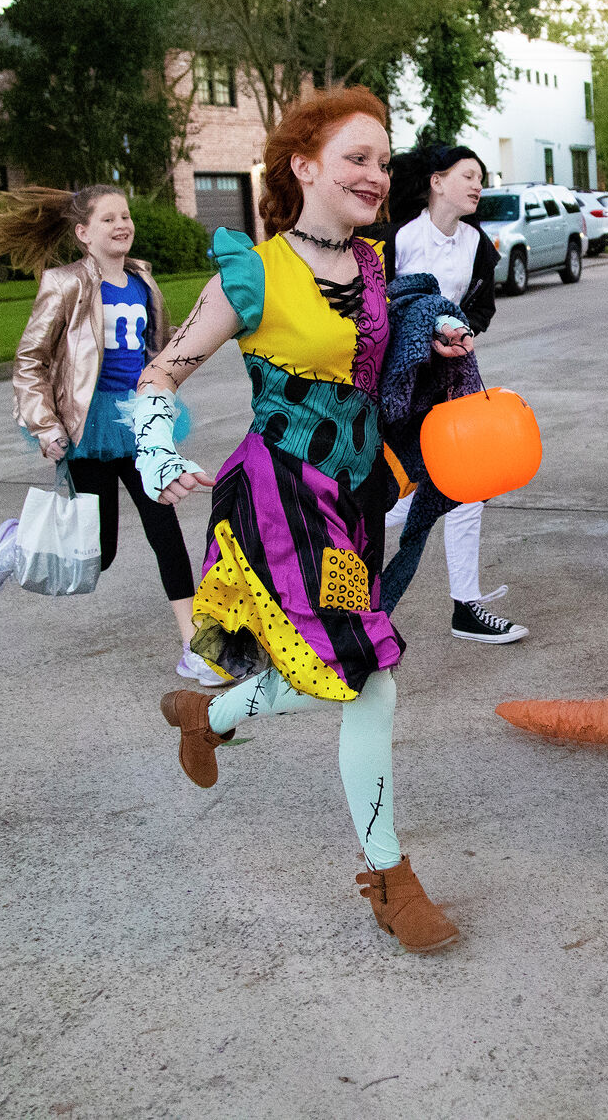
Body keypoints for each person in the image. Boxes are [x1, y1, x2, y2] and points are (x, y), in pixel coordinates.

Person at [134, 87, 477, 954]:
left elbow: (382, 362)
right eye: (356, 157)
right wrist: (158, 452)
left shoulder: (371, 266)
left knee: (344, 664)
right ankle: (390, 877)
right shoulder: (250, 271)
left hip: (355, 499)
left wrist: (431, 346)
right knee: (372, 676)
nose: (376, 174)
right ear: (304, 166)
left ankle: (209, 716)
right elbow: (158, 378)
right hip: (279, 497)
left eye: (383, 159)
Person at [0, 185, 201, 675]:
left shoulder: (143, 281)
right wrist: (43, 425)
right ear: (83, 233)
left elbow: (155, 352)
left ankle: (195, 646)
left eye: (126, 216)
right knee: (102, 553)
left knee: (166, 530)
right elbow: (30, 360)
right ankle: (17, 542)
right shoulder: (66, 283)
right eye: (108, 219)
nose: (122, 225)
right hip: (87, 424)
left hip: (138, 423)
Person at [373, 144, 526, 644]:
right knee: (393, 488)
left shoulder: (478, 242)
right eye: (468, 175)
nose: (477, 185)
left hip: (452, 379)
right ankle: (343, 576)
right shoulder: (396, 238)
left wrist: (465, 332)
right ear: (437, 181)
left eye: (481, 177)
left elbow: (482, 306)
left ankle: (466, 607)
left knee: (466, 487)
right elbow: (374, 310)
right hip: (399, 383)